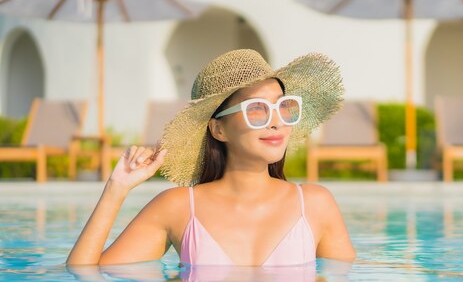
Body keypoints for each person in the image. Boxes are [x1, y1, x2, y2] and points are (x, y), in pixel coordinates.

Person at [67, 49, 356, 266]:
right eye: (257, 109)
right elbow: (85, 275)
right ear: (218, 129)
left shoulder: (316, 204)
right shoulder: (178, 207)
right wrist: (116, 190)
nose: (276, 121)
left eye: (284, 107)